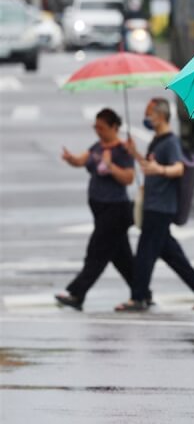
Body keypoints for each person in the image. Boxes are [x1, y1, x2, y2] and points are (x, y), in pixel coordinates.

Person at [115, 97, 194, 312]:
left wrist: (158, 170)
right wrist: (134, 153)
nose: (146, 117)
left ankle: (138, 297)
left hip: (161, 206)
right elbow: (151, 165)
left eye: (149, 113)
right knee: (170, 253)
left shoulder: (170, 142)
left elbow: (178, 168)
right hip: (154, 203)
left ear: (160, 116)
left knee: (145, 254)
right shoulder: (157, 140)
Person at [55, 108, 137, 311]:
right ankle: (142, 291)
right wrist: (71, 159)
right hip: (100, 210)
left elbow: (128, 178)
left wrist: (111, 167)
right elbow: (83, 160)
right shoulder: (97, 147)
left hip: (116, 210)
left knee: (96, 253)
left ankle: (77, 293)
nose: (98, 132)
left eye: (101, 128)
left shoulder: (122, 150)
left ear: (114, 127)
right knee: (122, 258)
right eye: (96, 127)